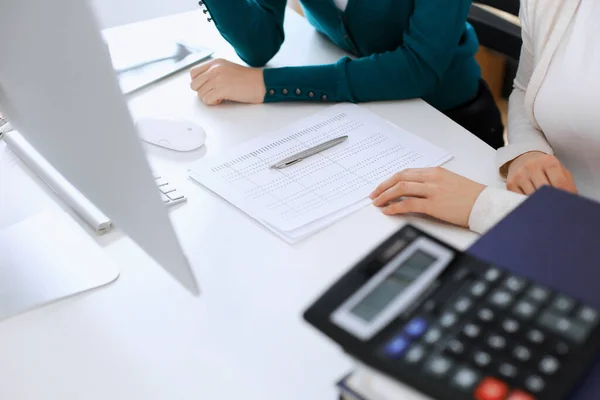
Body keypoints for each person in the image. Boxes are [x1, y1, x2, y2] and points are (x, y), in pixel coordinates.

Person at [370, 0, 599, 233]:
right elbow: (525, 90)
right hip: (542, 210)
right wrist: (528, 150)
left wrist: (481, 206)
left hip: (568, 234)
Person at [190, 0, 505, 149]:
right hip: (355, 117)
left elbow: (418, 67)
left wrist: (268, 84)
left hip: (447, 121)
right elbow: (260, 43)